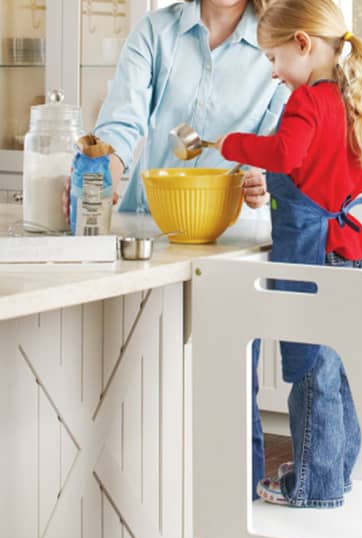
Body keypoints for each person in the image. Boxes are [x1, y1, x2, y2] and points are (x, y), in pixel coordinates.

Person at [85, 0, 291, 493]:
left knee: (227, 380)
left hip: (233, 237)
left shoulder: (275, 40)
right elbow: (122, 118)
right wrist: (103, 168)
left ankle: (233, 506)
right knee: (138, 376)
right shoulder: (157, 31)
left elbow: (279, 139)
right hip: (150, 232)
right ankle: (146, 510)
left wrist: (265, 175)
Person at [216, 0, 362, 508]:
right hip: (349, 252)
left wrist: (234, 144)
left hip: (313, 256)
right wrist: (336, 190)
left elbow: (285, 156)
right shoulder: (351, 96)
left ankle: (314, 487)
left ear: (302, 44)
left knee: (311, 373)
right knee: (342, 370)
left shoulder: (307, 102)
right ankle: (334, 473)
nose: (273, 73)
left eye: (273, 58)